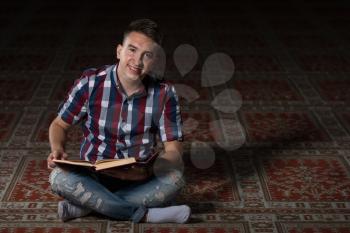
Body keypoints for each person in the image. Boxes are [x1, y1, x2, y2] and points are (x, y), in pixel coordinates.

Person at [47, 18, 191, 223]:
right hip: (93, 175)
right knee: (58, 177)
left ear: (155, 61)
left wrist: (155, 165)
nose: (137, 61)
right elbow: (59, 124)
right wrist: (56, 149)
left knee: (175, 180)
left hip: (139, 178)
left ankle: (89, 206)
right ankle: (143, 214)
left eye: (147, 55)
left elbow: (174, 151)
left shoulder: (165, 93)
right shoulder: (90, 83)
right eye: (132, 50)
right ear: (119, 51)